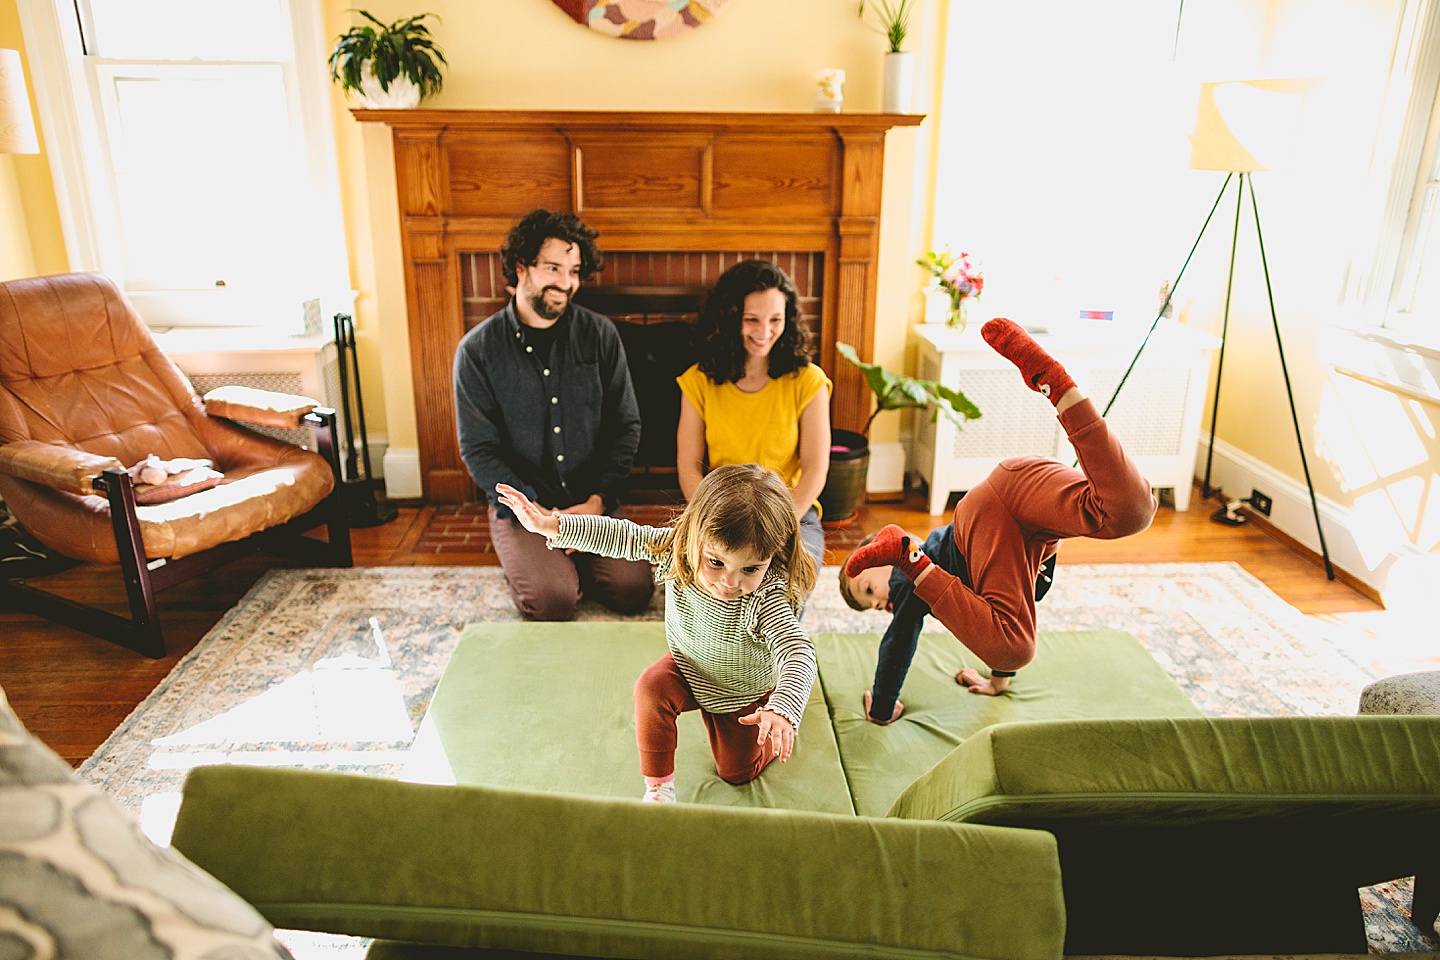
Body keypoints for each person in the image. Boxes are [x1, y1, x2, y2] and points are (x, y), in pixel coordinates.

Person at [839, 318, 1157, 722]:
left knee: (1016, 647)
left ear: (880, 557)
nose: (880, 603)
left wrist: (881, 707)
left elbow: (898, 644)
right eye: (871, 606)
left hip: (983, 522)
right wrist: (997, 682)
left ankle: (905, 558)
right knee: (1133, 510)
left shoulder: (909, 582)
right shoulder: (950, 589)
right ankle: (1060, 390)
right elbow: (1009, 604)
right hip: (1016, 481)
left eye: (868, 588)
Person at [496, 463, 819, 802]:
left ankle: (775, 712)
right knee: (649, 688)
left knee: (735, 773)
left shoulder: (766, 597)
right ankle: (659, 788)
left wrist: (783, 708)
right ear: (695, 535)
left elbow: (798, 651)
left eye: (750, 568)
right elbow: (621, 535)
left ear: (773, 555)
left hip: (739, 693)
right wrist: (552, 525)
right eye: (715, 562)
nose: (729, 581)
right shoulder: (677, 551)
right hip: (689, 667)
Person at [454, 209, 654, 621]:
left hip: (592, 501)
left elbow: (626, 425)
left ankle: (575, 556)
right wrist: (539, 516)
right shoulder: (476, 351)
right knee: (553, 601)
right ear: (521, 268)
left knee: (634, 589)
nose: (566, 283)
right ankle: (543, 562)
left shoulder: (600, 336)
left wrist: (597, 502)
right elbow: (479, 449)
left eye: (574, 271)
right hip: (527, 510)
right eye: (552, 268)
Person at [676, 259, 831, 574]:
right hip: (719, 512)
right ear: (730, 318)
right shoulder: (697, 381)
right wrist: (711, 522)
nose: (764, 332)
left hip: (791, 512)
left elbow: (815, 470)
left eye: (775, 319)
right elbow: (688, 466)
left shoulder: (809, 381)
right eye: (752, 319)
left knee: (784, 582)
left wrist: (777, 529)